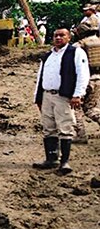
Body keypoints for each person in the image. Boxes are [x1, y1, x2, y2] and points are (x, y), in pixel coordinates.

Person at [32, 27, 90, 175]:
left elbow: (83, 74)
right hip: (46, 95)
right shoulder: (48, 56)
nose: (58, 38)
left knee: (65, 128)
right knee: (48, 127)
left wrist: (77, 94)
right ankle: (51, 159)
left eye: (62, 35)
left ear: (68, 38)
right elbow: (40, 77)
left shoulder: (75, 53)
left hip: (63, 96)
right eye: (56, 35)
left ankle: (65, 162)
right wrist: (37, 97)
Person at [73, 18, 100, 142]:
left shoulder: (79, 45)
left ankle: (80, 134)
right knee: (92, 109)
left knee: (76, 107)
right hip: (98, 78)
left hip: (85, 79)